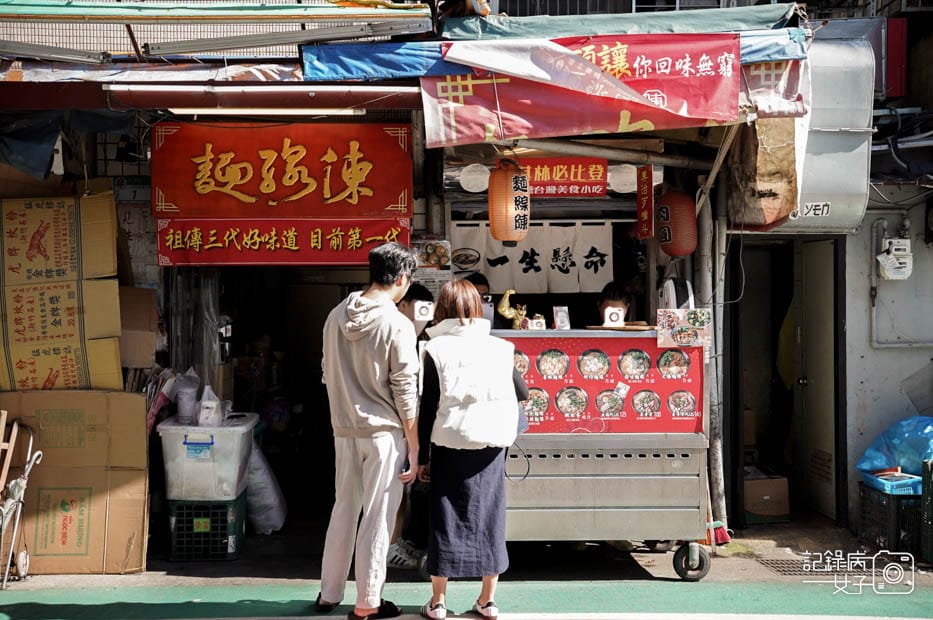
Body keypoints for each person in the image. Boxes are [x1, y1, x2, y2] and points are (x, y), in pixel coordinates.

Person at [317, 242, 421, 620]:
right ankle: (368, 601)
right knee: (378, 515)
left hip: (344, 429)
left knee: (343, 508)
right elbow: (405, 389)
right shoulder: (396, 322)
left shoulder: (334, 316)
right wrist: (414, 444)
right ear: (403, 278)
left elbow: (327, 373)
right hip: (383, 433)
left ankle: (329, 593)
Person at [416, 279, 529, 620]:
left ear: (442, 310)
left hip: (449, 442)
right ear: (478, 309)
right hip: (492, 442)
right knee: (490, 516)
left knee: (445, 517)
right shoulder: (499, 347)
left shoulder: (433, 350)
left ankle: (438, 602)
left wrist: (421, 458)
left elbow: (428, 408)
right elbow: (521, 391)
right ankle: (488, 600)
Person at [387, 282, 434, 570]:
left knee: (404, 488)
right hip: (397, 425)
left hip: (408, 424)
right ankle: (390, 547)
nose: (420, 316)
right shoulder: (394, 332)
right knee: (395, 488)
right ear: (402, 304)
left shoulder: (421, 337)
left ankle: (397, 542)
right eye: (417, 309)